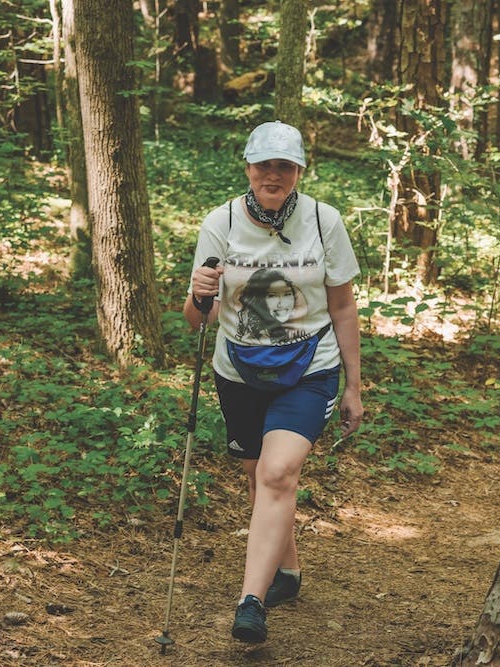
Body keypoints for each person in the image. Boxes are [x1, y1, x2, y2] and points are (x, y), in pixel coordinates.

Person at [183, 120, 363, 643]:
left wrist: (353, 386)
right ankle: (286, 571)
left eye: (284, 165)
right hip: (238, 369)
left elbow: (344, 306)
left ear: (300, 171)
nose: (273, 174)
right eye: (264, 164)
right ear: (247, 167)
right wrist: (198, 294)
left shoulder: (324, 221)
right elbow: (198, 320)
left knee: (278, 473)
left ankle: (250, 602)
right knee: (257, 475)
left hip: (310, 367)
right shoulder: (221, 223)